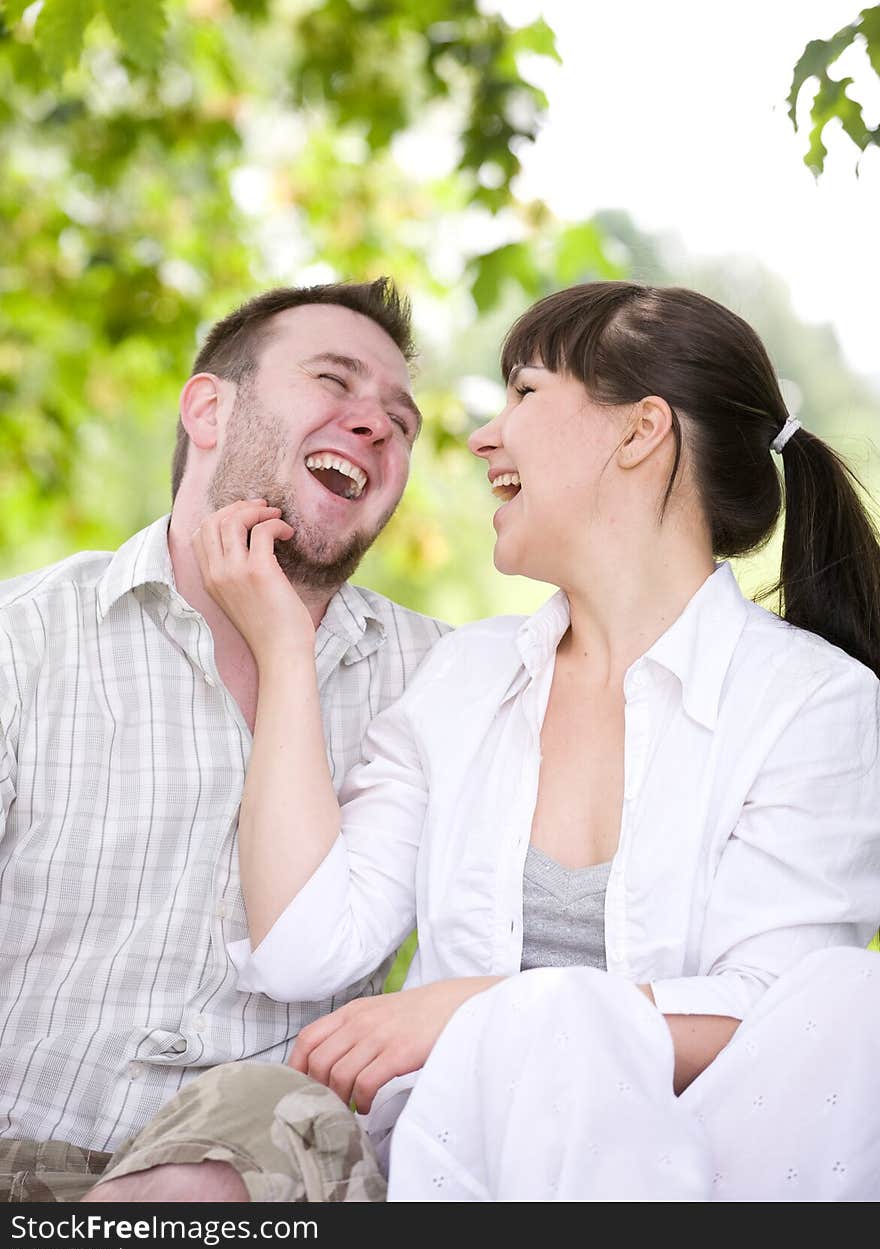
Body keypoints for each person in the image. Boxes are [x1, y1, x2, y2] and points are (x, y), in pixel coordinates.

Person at [190, 281, 880, 1201]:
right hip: (466, 1161)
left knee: (850, 999)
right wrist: (286, 652)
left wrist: (484, 1011)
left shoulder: (814, 701)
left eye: (523, 394)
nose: (482, 437)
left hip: (717, 1170)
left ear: (639, 433)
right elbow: (305, 948)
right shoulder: (464, 680)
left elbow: (783, 1023)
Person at [0, 278, 449, 1204]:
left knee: (270, 1108)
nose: (375, 425)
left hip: (256, 1182)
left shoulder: (441, 681)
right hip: (20, 1155)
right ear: (209, 408)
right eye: (334, 381)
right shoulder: (25, 638)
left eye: (401, 422)